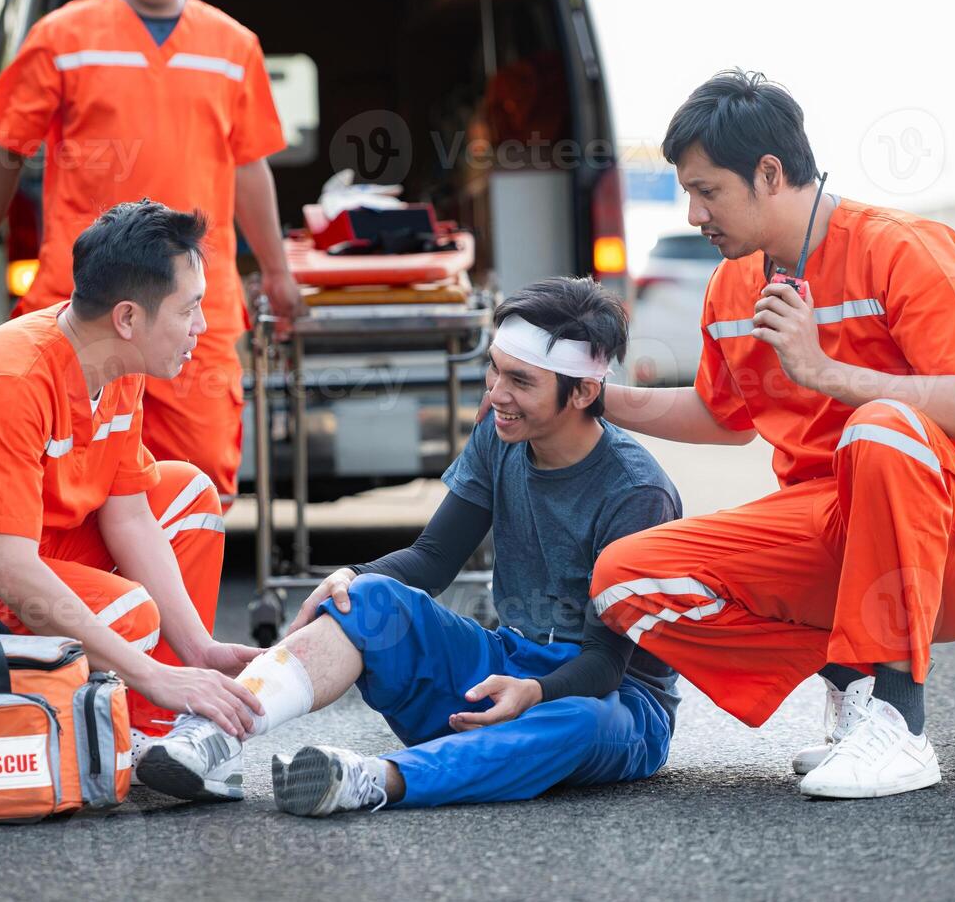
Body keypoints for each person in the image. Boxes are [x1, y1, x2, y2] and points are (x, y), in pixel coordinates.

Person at [588, 70, 955, 799]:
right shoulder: (731, 285)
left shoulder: (902, 248)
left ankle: (903, 723)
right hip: (834, 535)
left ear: (768, 173)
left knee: (880, 430)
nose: (693, 210)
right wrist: (594, 399)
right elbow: (718, 418)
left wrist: (825, 371)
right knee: (624, 579)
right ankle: (853, 681)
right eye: (688, 190)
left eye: (708, 190)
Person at [135, 277, 685, 814]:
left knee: (581, 720)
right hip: (508, 664)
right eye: (494, 369)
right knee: (371, 596)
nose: (496, 394)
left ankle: (372, 780)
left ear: (585, 391)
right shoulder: (500, 434)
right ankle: (210, 736)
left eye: (521, 381)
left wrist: (535, 693)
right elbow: (433, 558)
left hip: (616, 705)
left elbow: (606, 663)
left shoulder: (637, 492)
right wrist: (352, 574)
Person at [0, 200, 264, 768]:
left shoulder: (115, 365)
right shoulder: (8, 381)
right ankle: (124, 731)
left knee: (188, 494)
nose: (203, 328)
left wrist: (197, 653)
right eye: (190, 310)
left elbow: (129, 516)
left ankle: (163, 734)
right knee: (128, 613)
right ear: (128, 318)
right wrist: (153, 670)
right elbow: (8, 571)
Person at [0, 0, 303, 509]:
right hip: (81, 304)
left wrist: (277, 271)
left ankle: (175, 607)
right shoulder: (64, 36)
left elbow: (249, 168)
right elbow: (3, 152)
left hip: (195, 311)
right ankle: (85, 605)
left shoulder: (233, 46)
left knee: (196, 491)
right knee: (57, 489)